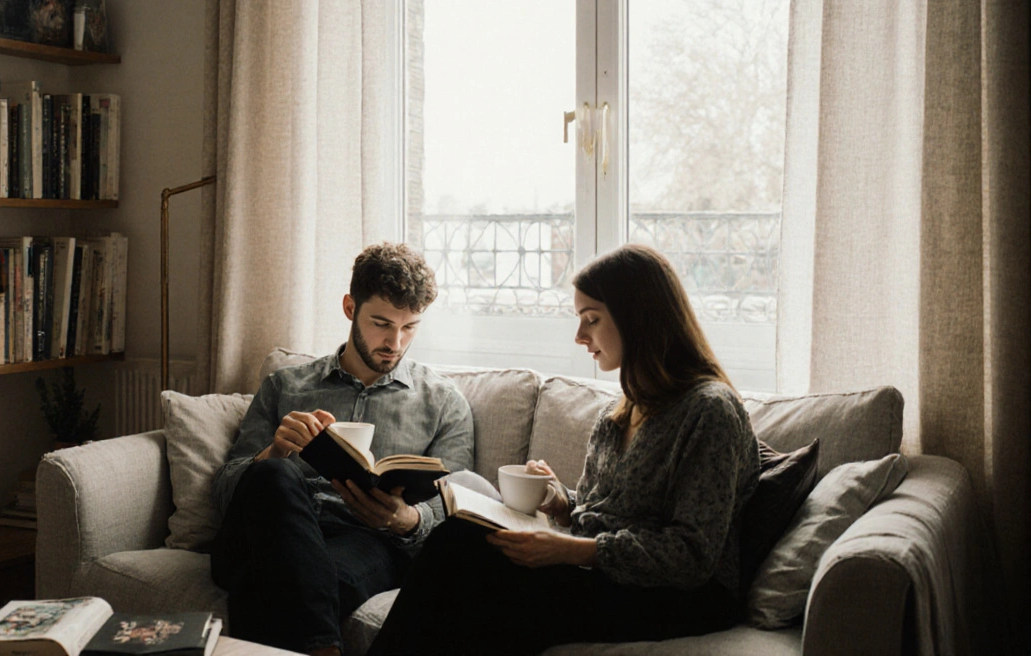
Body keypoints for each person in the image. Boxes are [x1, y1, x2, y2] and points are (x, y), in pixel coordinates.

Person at [367, 244, 761, 656]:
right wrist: (560, 502)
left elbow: (692, 555)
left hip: (683, 597)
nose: (579, 336)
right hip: (609, 575)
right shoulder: (618, 413)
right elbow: (600, 512)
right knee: (461, 541)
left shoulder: (709, 410)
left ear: (638, 317)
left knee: (468, 562)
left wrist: (567, 550)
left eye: (592, 319)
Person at [209, 242, 475, 656]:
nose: (395, 342)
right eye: (382, 323)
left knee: (275, 582)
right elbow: (226, 491)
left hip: (364, 539)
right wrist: (274, 452)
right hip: (264, 523)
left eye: (410, 327)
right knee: (276, 474)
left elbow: (459, 506)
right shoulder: (285, 384)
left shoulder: (442, 402)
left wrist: (405, 519)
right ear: (351, 307)